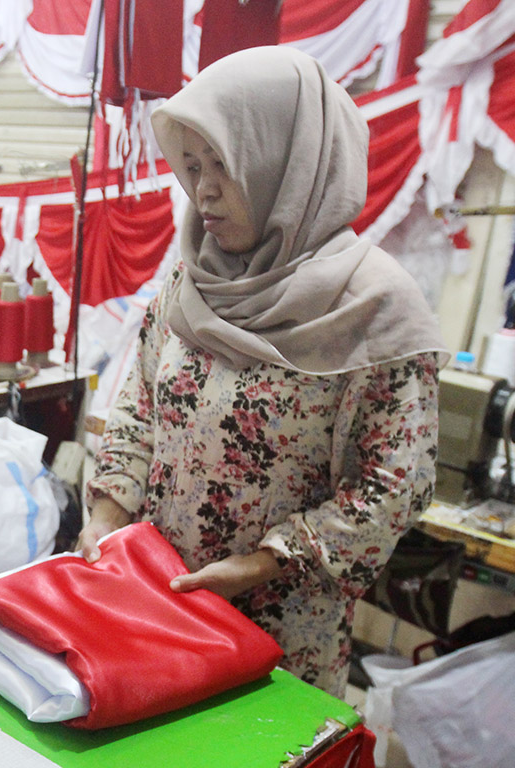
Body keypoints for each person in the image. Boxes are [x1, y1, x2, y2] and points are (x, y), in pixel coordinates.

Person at [77, 46, 449, 697]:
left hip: (281, 641)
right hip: (159, 604)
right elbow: (139, 406)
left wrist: (261, 563)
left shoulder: (372, 307)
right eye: (192, 166)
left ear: (290, 159)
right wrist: (108, 513)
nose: (204, 190)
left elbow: (395, 485)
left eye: (223, 163)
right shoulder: (188, 283)